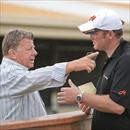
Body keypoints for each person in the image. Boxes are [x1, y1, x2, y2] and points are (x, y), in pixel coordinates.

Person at [0, 29, 98, 120]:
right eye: (29, 49)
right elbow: (33, 78)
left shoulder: (17, 73)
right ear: (12, 53)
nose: (35, 52)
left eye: (33, 48)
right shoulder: (7, 73)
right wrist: (71, 65)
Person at [57, 9, 130, 130]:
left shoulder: (126, 59)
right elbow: (113, 99)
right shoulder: (116, 57)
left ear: (110, 34)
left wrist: (80, 96)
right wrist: (91, 102)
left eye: (94, 32)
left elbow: (118, 105)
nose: (90, 37)